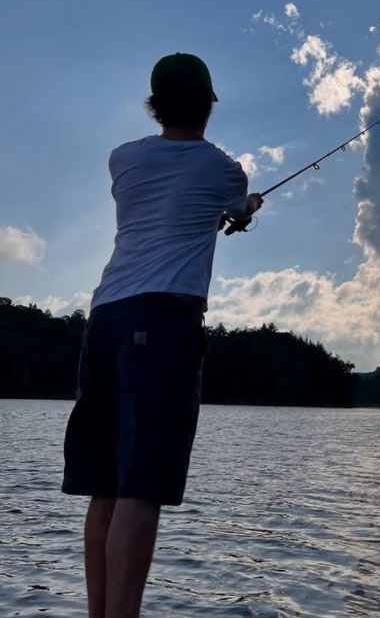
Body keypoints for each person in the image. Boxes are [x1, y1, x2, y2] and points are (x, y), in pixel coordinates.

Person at [61, 53, 263, 618]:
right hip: (164, 324)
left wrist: (229, 210)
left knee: (105, 484)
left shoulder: (122, 159)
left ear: (155, 104)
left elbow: (175, 200)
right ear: (209, 104)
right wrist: (243, 210)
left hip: (105, 320)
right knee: (140, 485)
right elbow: (231, 203)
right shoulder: (225, 171)